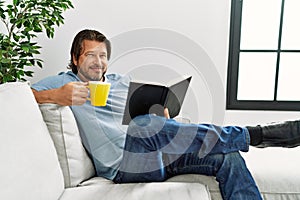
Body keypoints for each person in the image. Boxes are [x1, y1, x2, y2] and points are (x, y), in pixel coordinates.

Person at [31, 29, 300, 200]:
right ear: (76, 59)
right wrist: (54, 96)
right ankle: (256, 135)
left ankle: (248, 138)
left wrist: (163, 121)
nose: (98, 61)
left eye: (103, 55)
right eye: (91, 55)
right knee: (143, 125)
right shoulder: (62, 82)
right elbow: (22, 95)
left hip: (159, 155)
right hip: (125, 168)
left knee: (226, 156)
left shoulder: (121, 81)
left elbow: (149, 120)